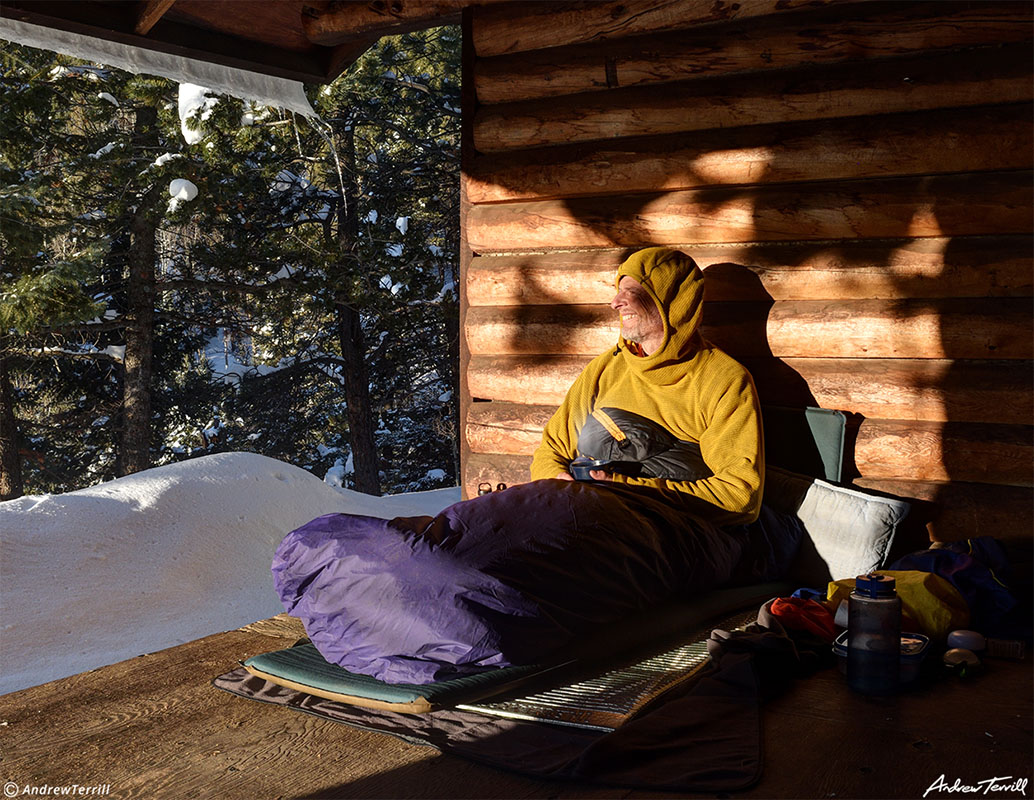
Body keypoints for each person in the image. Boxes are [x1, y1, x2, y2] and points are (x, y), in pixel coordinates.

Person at [530, 246, 764, 525]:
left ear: (672, 300)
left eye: (631, 291)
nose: (615, 302)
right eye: (618, 291)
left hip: (675, 528)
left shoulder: (723, 379)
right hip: (589, 514)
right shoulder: (605, 370)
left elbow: (740, 496)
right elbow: (550, 451)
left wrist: (623, 489)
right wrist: (561, 482)